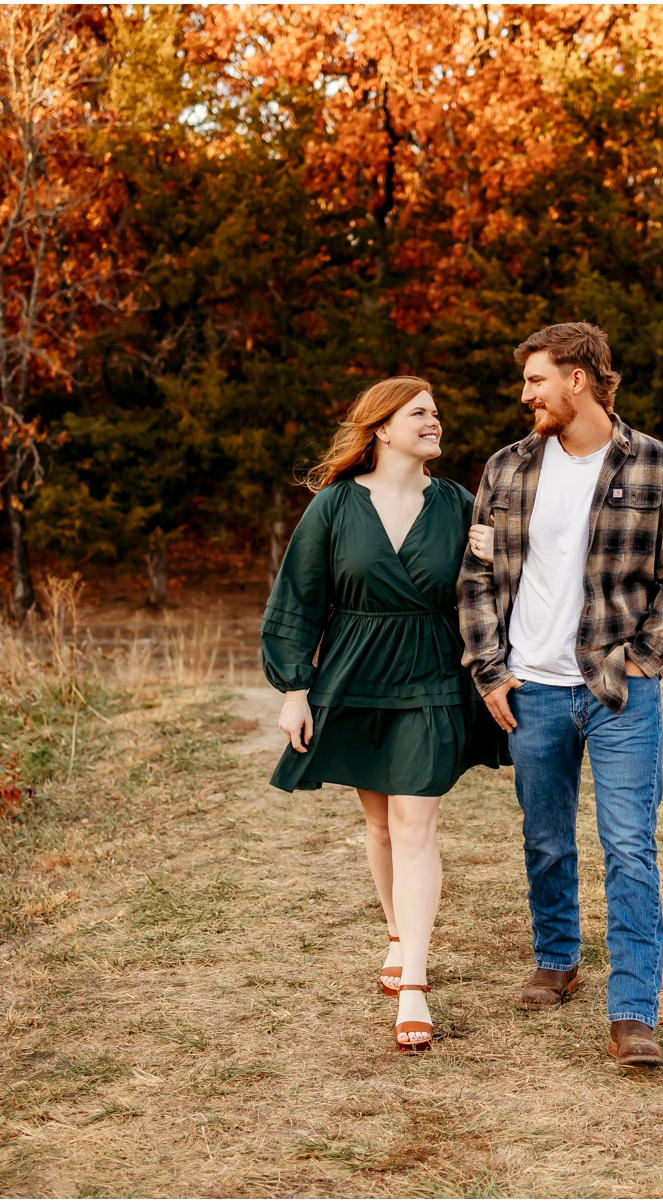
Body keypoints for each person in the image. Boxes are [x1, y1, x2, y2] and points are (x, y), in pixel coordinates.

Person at [457, 322, 663, 1068]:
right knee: (544, 837)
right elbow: (476, 576)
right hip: (531, 688)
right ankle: (557, 956)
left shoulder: (659, 465)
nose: (525, 394)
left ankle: (633, 1012)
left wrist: (645, 655)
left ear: (579, 378)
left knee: (630, 846)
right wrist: (489, 669)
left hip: (616, 693)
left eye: (536, 380)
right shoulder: (506, 467)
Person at [261, 376, 501, 1054]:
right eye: (421, 412)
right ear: (382, 427)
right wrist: (293, 687)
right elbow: (298, 597)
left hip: (430, 674)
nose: (436, 421)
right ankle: (397, 933)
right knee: (378, 820)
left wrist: (494, 557)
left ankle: (417, 984)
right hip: (355, 673)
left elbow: (500, 591)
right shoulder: (334, 506)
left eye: (436, 411)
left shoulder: (457, 503)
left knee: (414, 819)